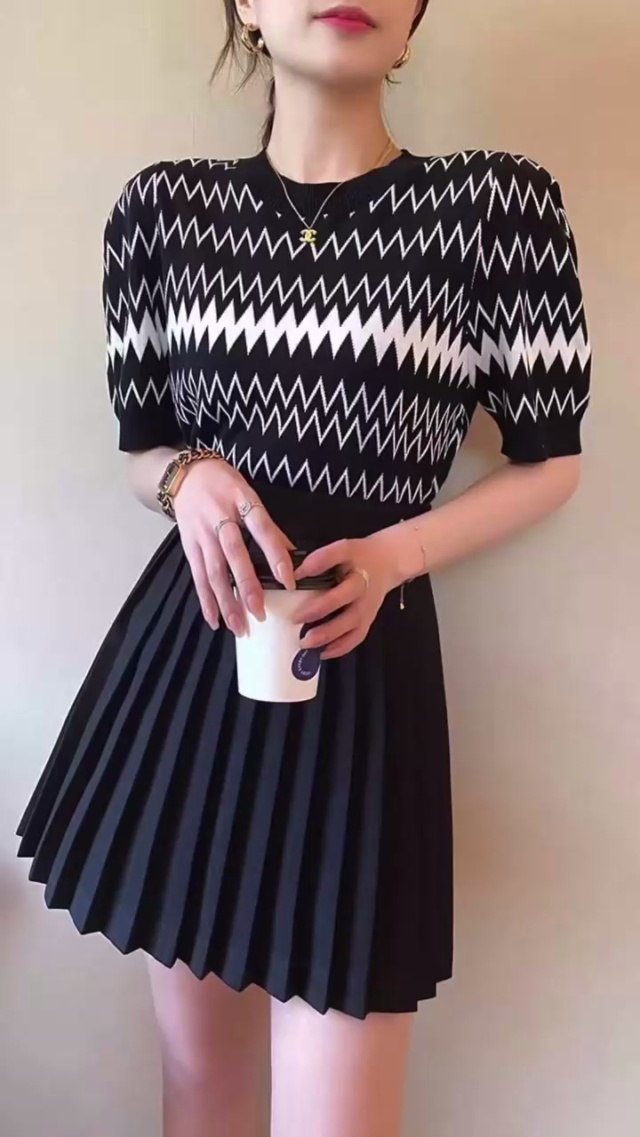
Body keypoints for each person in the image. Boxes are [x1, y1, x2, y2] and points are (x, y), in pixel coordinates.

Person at [17, 1, 592, 1134]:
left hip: (360, 673)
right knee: (201, 1093)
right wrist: (188, 479)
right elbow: (142, 449)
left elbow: (550, 461)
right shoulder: (162, 212)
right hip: (192, 669)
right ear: (244, 5)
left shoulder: (492, 208)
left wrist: (397, 552)